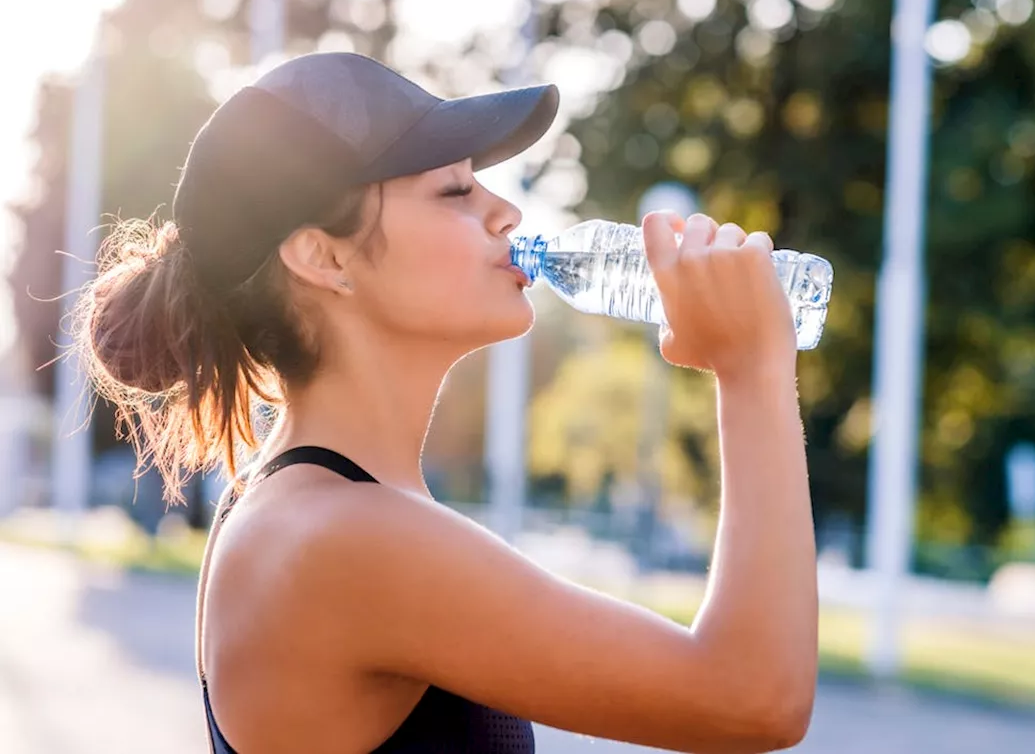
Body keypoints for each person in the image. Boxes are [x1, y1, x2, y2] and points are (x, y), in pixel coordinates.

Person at [74, 52, 817, 754]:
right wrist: (751, 370)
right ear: (323, 257)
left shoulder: (311, 509)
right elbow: (752, 697)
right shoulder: (342, 538)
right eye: (457, 190)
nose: (507, 214)